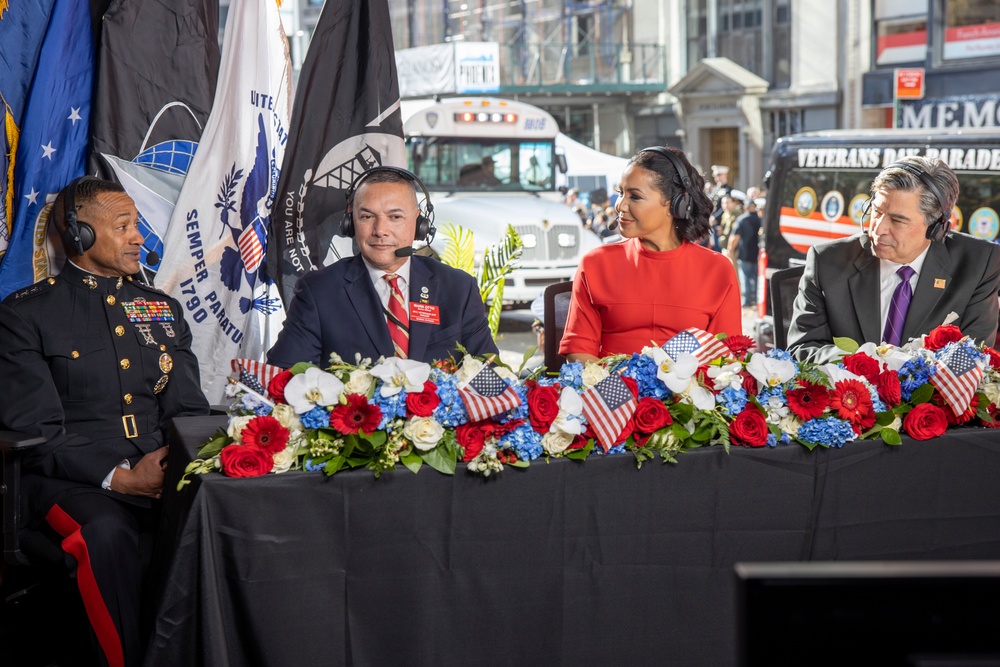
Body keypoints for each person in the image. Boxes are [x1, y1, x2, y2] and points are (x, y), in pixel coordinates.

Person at [0, 177, 210, 666]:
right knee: (106, 533)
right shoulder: (25, 315)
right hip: (67, 483)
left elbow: (187, 410)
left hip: (159, 470)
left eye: (137, 224)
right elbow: (39, 432)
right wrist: (120, 476)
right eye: (123, 226)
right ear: (80, 236)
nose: (139, 236)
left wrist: (179, 464)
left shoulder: (161, 309)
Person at [268, 167, 499, 367]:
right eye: (367, 217)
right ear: (350, 223)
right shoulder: (318, 291)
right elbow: (283, 379)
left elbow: (489, 373)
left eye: (395, 217)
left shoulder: (458, 288)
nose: (380, 230)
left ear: (419, 224)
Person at [786, 156, 1000, 363]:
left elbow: (973, 357)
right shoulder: (826, 261)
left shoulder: (979, 263)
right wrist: (869, 364)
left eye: (897, 220)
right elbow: (803, 348)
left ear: (936, 227)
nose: (878, 229)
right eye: (876, 212)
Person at [559, 146, 742, 363]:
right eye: (621, 193)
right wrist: (623, 396)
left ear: (676, 204)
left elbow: (726, 360)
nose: (620, 206)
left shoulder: (717, 269)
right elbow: (579, 351)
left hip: (691, 396)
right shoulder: (595, 264)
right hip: (609, 394)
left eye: (635, 196)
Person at [727, 198, 762, 310]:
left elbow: (735, 237)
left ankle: (747, 301)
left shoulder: (741, 219)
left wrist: (731, 249)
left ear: (746, 207)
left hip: (745, 253)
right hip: (757, 254)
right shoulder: (760, 219)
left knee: (745, 278)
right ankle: (757, 301)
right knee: (756, 278)